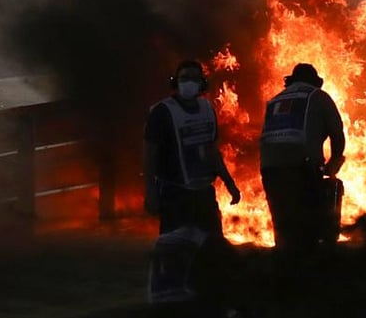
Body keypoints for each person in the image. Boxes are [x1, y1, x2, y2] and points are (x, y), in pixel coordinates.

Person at [143, 60, 241, 307]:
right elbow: (149, 155)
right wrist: (151, 191)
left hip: (204, 193)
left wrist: (228, 182)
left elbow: (211, 150)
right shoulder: (162, 112)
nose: (189, 82)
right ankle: (171, 300)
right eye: (184, 77)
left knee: (212, 248)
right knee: (175, 249)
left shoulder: (207, 109)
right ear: (175, 82)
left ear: (202, 83)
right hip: (175, 193)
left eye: (194, 78)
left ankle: (211, 299)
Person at [259, 63, 346, 253]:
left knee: (283, 229)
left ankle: (283, 267)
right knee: (308, 229)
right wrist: (334, 163)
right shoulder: (318, 96)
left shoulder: (274, 101)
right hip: (301, 168)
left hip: (270, 171)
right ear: (315, 82)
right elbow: (337, 134)